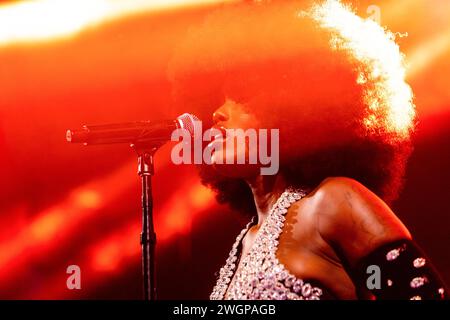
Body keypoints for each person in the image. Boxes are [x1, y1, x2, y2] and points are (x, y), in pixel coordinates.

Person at [168, 0, 448, 300]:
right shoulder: (245, 241)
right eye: (219, 100)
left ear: (296, 112)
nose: (218, 114)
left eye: (241, 96)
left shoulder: (332, 203)